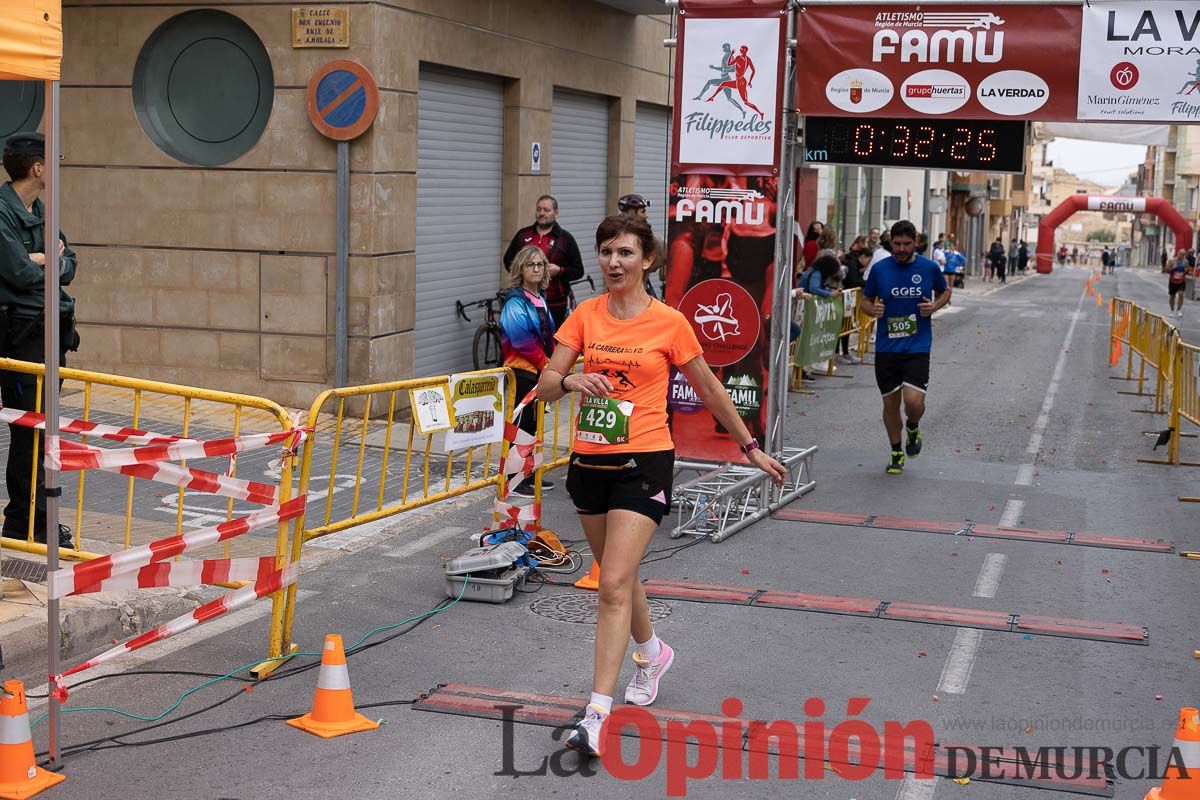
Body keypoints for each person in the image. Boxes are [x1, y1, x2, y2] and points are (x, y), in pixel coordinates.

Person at [537, 215, 786, 757]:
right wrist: (570, 377)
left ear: (647, 260)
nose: (614, 262)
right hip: (589, 464)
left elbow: (710, 388)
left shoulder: (669, 323)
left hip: (645, 462)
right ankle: (651, 654)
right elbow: (546, 385)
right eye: (606, 252)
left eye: (625, 252)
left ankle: (596, 716)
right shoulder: (584, 315)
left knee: (610, 586)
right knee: (620, 580)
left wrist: (750, 448)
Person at [0, 132, 78, 548]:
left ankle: (37, 520)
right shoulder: (2, 212)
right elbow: (19, 272)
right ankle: (24, 522)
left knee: (45, 430)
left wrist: (48, 261)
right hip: (21, 335)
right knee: (29, 431)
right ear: (38, 168)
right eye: (54, 159)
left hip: (51, 330)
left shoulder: (41, 210)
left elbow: (72, 264)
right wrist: (49, 258)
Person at [859, 220, 951, 475]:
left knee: (912, 402)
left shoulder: (929, 267)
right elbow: (866, 301)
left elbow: (945, 292)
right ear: (890, 242)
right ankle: (896, 450)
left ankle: (912, 425)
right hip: (887, 347)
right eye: (896, 244)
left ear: (916, 242)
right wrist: (872, 309)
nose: (901, 249)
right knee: (890, 404)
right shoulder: (880, 269)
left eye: (906, 244)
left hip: (917, 346)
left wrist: (934, 306)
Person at [499, 246, 558, 497]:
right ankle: (514, 478)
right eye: (530, 265)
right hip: (521, 372)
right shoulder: (515, 301)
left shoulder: (539, 298)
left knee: (532, 425)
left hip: (537, 372)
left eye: (540, 265)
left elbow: (548, 335)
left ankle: (527, 473)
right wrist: (547, 365)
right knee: (520, 426)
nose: (536, 269)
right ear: (520, 269)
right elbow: (522, 340)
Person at [503, 195, 585, 327]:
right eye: (539, 209)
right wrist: (522, 273)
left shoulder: (565, 239)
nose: (542, 213)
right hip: (525, 300)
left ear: (556, 213)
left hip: (555, 303)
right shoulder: (523, 235)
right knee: (528, 340)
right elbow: (508, 260)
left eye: (547, 210)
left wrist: (560, 271)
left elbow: (578, 270)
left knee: (552, 342)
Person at [617, 193, 665, 297]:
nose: (646, 215)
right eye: (642, 211)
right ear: (631, 213)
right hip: (633, 288)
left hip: (642, 284)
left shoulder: (618, 231)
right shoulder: (623, 234)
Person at [1170, 249, 1189, 319]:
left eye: (1183, 255)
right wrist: (1172, 268)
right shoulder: (1173, 261)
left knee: (1181, 294)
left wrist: (1186, 270)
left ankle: (1179, 310)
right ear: (1178, 253)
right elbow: (1167, 269)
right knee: (1172, 296)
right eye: (1180, 254)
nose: (1182, 256)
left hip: (1181, 281)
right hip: (1172, 281)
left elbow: (1187, 269)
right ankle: (1171, 310)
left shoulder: (1185, 262)